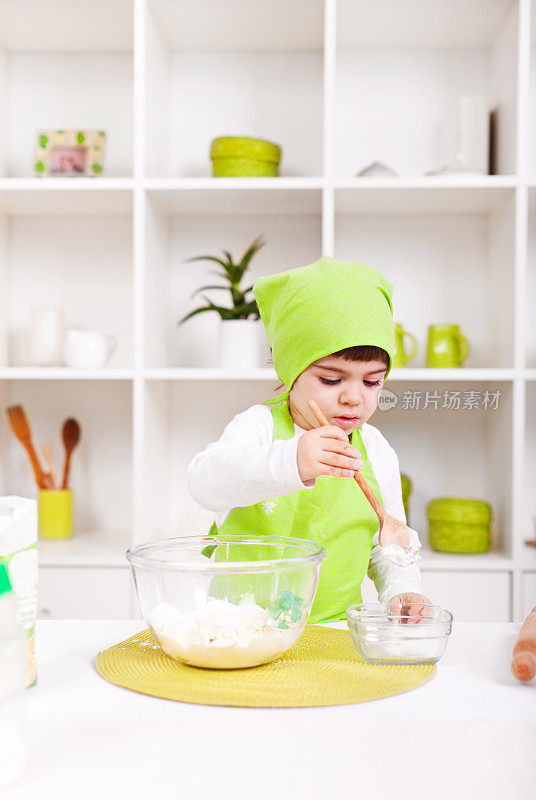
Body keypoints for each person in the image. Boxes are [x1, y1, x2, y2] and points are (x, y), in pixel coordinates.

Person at [188, 256, 430, 623]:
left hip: (334, 629)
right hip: (239, 626)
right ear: (290, 369)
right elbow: (204, 483)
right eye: (332, 380)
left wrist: (402, 590)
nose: (354, 397)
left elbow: (388, 542)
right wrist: (291, 461)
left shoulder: (376, 450)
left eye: (371, 381)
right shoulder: (259, 427)